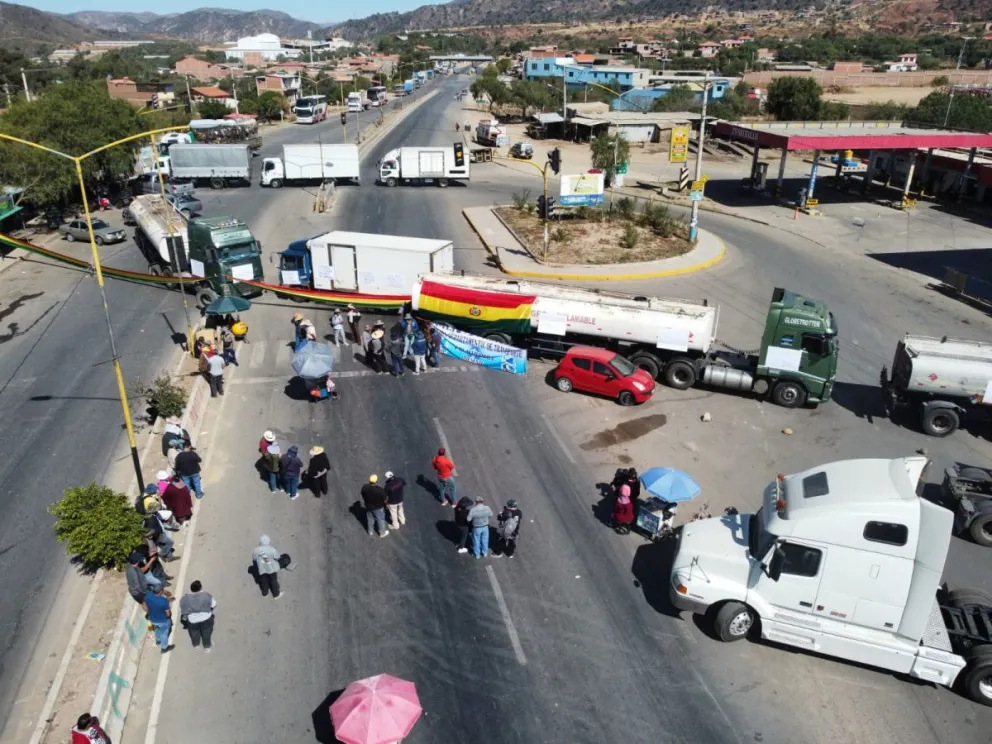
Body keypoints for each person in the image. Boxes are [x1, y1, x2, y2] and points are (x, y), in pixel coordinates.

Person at [179, 580, 216, 651]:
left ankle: (196, 645)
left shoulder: (185, 598)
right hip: (206, 619)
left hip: (192, 621)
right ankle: (207, 646)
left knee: (194, 633)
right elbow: (214, 605)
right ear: (201, 587)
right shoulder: (206, 596)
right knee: (206, 633)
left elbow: (182, 610)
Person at [142, 584, 174, 654]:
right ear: (161, 591)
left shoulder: (148, 595)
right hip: (162, 620)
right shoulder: (164, 601)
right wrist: (168, 618)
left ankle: (158, 640)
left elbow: (143, 605)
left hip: (152, 619)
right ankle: (164, 648)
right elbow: (168, 613)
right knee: (164, 633)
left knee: (157, 629)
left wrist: (149, 611)